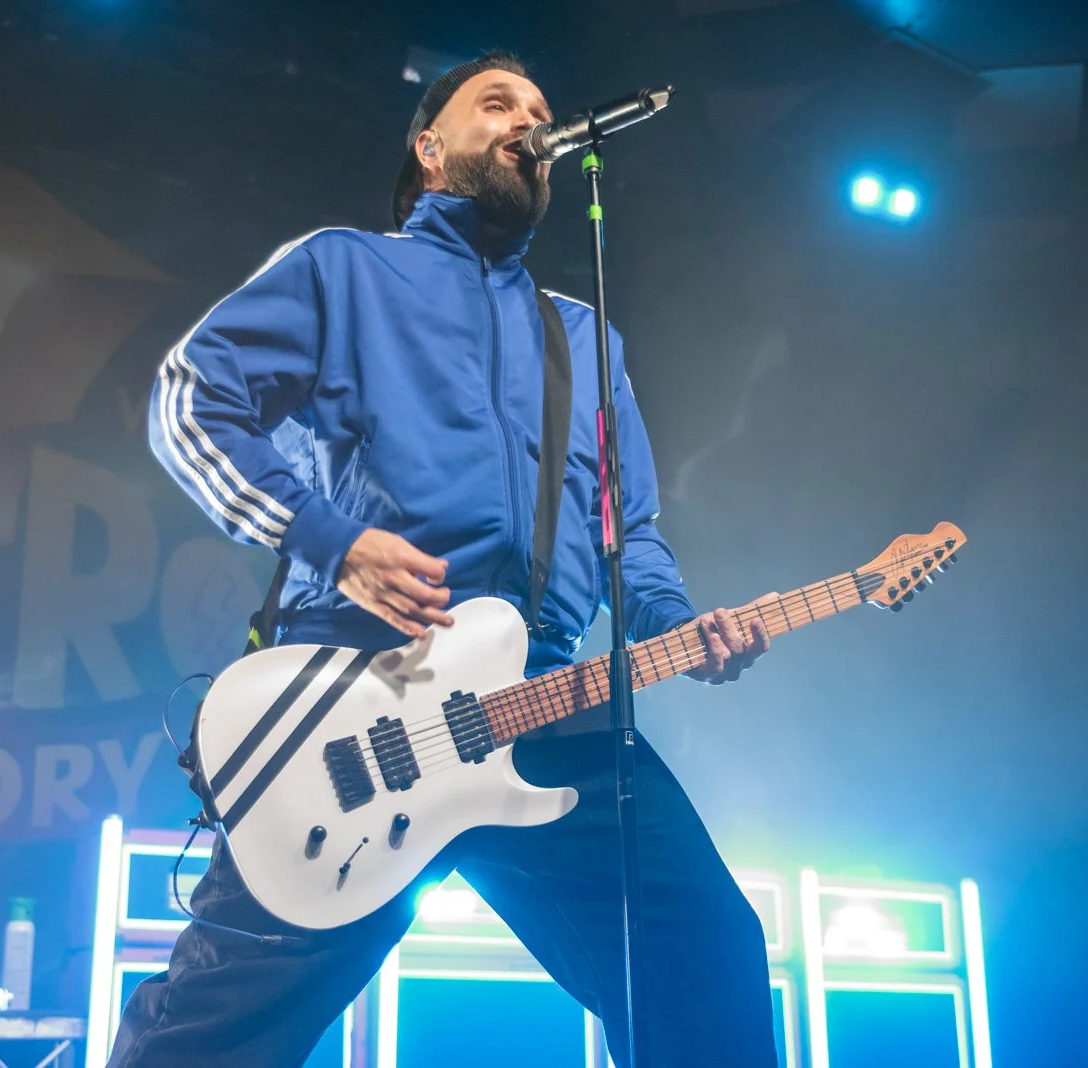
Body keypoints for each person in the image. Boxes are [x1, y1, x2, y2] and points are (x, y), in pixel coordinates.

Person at [115, 51, 779, 1068]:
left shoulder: (584, 338)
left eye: (541, 111)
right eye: (497, 103)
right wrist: (331, 546)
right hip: (359, 702)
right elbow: (186, 403)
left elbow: (626, 532)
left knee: (705, 963)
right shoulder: (344, 269)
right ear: (430, 150)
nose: (529, 120)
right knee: (218, 1032)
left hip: (546, 706)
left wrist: (672, 618)